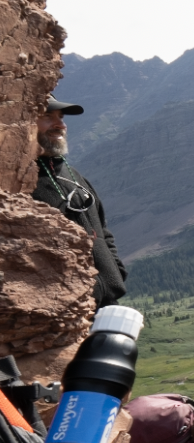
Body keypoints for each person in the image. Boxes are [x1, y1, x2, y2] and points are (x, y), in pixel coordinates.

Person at [32, 95, 129, 308]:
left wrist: (116, 272)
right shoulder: (20, 181)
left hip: (107, 304)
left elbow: (103, 231)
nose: (61, 125)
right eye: (48, 117)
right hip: (65, 311)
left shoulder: (73, 174)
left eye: (61, 117)